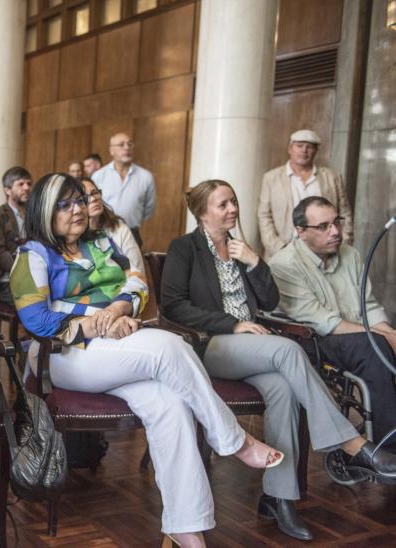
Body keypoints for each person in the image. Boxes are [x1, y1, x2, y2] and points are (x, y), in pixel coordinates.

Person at [11, 173, 284, 548]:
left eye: (79, 201)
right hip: (66, 356)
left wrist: (122, 307)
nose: (77, 209)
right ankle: (232, 439)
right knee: (170, 347)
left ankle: (186, 527)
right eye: (64, 204)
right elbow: (37, 320)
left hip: (117, 349)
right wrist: (97, 324)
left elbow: (137, 284)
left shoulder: (100, 242)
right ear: (43, 210)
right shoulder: (33, 255)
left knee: (170, 405)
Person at [161, 180, 396, 541]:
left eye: (234, 202)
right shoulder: (184, 248)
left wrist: (255, 262)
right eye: (223, 204)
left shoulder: (241, 250)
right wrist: (233, 323)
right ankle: (351, 444)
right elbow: (174, 306)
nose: (232, 209)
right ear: (202, 212)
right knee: (288, 349)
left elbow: (269, 303)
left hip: (250, 347)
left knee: (284, 390)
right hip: (211, 346)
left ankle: (278, 498)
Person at [270, 196, 396, 445]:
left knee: (385, 341)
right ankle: (389, 447)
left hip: (358, 336)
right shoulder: (283, 265)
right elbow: (325, 323)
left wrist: (391, 333)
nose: (335, 231)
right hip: (315, 340)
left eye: (336, 222)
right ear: (301, 232)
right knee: (375, 347)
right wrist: (383, 337)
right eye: (324, 226)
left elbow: (368, 305)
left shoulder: (350, 255)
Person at [258, 129, 353, 258]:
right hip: (284, 250)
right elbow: (264, 216)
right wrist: (279, 249)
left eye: (310, 147)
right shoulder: (271, 178)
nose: (304, 150)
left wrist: (343, 244)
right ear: (290, 148)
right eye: (299, 146)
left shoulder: (332, 177)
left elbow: (345, 213)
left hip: (324, 253)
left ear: (316, 151)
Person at [91, 132, 155, 247]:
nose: (127, 148)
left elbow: (148, 209)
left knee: (135, 265)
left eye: (130, 144)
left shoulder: (146, 176)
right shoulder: (98, 176)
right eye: (121, 144)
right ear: (111, 150)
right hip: (104, 233)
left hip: (133, 232)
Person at [0, 166, 32, 302]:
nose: (27, 187)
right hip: (6, 280)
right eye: (21, 184)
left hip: (35, 276)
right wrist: (23, 274)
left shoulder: (33, 214)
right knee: (34, 301)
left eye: (29, 183)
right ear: (7, 190)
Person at [82, 177, 144, 274]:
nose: (93, 199)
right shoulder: (73, 238)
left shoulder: (119, 227)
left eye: (95, 193)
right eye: (85, 197)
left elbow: (138, 272)